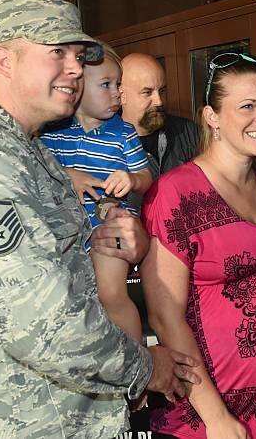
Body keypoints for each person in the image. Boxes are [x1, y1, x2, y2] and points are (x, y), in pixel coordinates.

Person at [0, 0, 199, 438]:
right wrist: (144, 367)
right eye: (57, 53)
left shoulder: (27, 148)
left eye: (78, 54)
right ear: (4, 60)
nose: (74, 67)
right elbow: (43, 327)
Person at [140, 53, 256, 439]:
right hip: (228, 410)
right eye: (247, 106)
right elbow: (165, 317)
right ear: (211, 116)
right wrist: (216, 418)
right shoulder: (176, 193)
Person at [40, 42, 151, 343]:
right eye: (106, 85)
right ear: (77, 88)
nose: (117, 93)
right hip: (67, 232)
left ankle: (136, 368)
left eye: (118, 84)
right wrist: (66, 176)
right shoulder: (50, 133)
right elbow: (37, 175)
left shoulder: (124, 132)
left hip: (110, 224)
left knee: (112, 295)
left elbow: (146, 176)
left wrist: (131, 178)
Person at [120, 53, 199, 180]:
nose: (159, 101)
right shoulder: (106, 145)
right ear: (122, 96)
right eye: (147, 92)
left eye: (162, 91)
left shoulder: (188, 132)